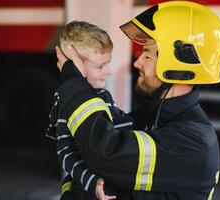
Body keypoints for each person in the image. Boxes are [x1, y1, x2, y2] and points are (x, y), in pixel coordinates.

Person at [54, 1, 220, 199]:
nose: (137, 62)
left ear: (178, 66)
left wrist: (76, 84)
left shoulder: (194, 142)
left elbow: (103, 153)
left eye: (147, 56)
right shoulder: (151, 119)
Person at [46, 21, 134, 200]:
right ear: (75, 65)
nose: (108, 71)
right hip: (89, 192)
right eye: (100, 66)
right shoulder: (67, 103)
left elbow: (118, 129)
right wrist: (91, 182)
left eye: (107, 63)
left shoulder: (102, 94)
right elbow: (66, 153)